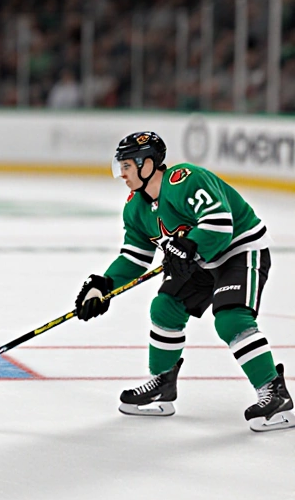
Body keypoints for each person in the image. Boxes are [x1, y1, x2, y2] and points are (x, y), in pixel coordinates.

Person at [74, 131, 292, 432]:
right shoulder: (135, 208)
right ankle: (163, 383)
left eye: (127, 166)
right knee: (164, 308)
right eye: (120, 167)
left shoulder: (185, 179)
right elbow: (135, 258)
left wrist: (190, 245)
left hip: (239, 251)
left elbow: (220, 224)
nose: (122, 174)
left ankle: (275, 393)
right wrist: (104, 284)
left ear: (147, 164)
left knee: (230, 319)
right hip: (200, 260)